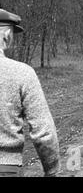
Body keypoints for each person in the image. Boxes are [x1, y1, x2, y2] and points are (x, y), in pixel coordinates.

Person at [0, 9, 60, 177]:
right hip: (6, 168)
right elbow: (44, 132)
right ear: (6, 35)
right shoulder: (21, 73)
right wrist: (52, 170)